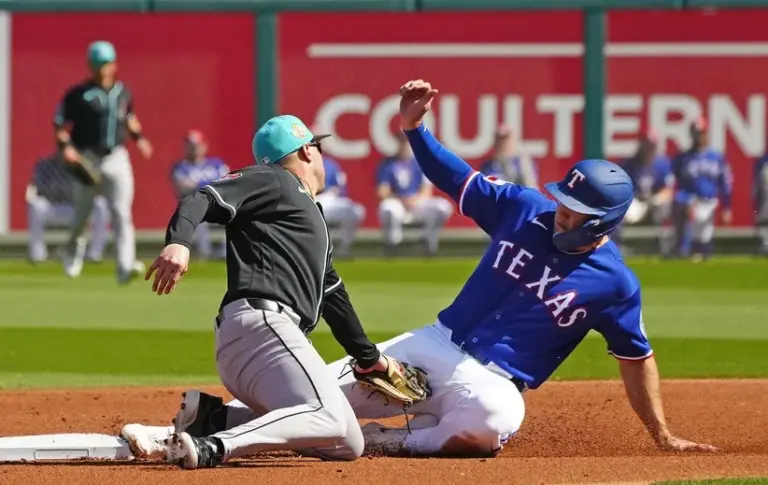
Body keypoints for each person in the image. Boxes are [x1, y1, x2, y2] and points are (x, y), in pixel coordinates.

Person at [123, 81, 718, 460]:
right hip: (434, 343)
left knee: (493, 419)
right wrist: (416, 130)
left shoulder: (615, 285)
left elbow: (637, 357)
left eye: (576, 209)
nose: (561, 210)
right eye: (563, 198)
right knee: (319, 399)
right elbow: (457, 177)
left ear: (605, 221)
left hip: (493, 379)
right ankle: (209, 420)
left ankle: (386, 444)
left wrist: (660, 434)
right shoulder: (527, 209)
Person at [143, 115, 414, 469]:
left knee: (346, 442)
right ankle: (216, 445)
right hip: (262, 329)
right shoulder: (274, 179)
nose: (319, 153)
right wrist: (178, 242)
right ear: (305, 150)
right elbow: (202, 197)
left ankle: (213, 419)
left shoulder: (307, 214)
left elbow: (333, 295)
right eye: (317, 146)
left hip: (266, 347)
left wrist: (369, 359)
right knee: (330, 417)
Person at [54, 40, 153, 283]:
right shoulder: (78, 95)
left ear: (114, 64)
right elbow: (60, 125)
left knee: (120, 213)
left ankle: (125, 265)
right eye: (97, 63)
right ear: (90, 65)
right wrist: (66, 148)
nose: (102, 68)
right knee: (82, 216)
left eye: (106, 63)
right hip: (87, 157)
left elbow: (129, 116)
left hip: (116, 156)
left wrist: (139, 138)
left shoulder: (123, 92)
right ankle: (72, 256)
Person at [376, 133, 453, 256]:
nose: (404, 145)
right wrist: (401, 199)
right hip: (398, 203)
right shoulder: (388, 164)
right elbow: (382, 191)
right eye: (402, 142)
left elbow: (427, 190)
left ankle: (427, 240)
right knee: (388, 208)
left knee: (443, 207)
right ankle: (394, 244)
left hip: (417, 203)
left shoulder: (420, 162)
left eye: (407, 142)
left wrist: (414, 199)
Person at [26, 154, 110, 264]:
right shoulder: (45, 165)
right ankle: (38, 255)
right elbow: (36, 187)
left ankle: (94, 254)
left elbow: (96, 186)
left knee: (101, 204)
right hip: (54, 208)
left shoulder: (83, 165)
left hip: (79, 208)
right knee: (36, 205)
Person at [670, 118, 733, 261]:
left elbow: (725, 182)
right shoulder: (682, 158)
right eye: (695, 133)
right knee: (691, 232)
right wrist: (681, 200)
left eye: (701, 132)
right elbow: (675, 183)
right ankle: (682, 249)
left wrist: (727, 207)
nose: (698, 136)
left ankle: (692, 252)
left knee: (704, 245)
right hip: (691, 201)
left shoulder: (716, 157)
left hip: (710, 202)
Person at [170, 130, 229, 260]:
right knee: (200, 220)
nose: (194, 148)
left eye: (196, 145)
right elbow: (183, 188)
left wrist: (198, 184)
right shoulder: (180, 167)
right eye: (190, 145)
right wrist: (211, 183)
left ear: (204, 145)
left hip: (219, 206)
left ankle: (226, 253)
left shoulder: (216, 164)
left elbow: (227, 183)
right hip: (195, 209)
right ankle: (206, 254)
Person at [614, 130, 675, 255]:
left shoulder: (662, 163)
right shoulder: (628, 164)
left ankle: (665, 247)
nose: (649, 148)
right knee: (620, 211)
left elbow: (668, 189)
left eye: (651, 145)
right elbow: (620, 188)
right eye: (646, 144)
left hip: (654, 200)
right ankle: (618, 247)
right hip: (635, 200)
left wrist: (655, 199)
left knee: (664, 206)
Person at [314, 153, 366, 258]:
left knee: (356, 211)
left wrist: (335, 191)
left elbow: (341, 188)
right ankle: (319, 251)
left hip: (330, 199)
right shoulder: (301, 163)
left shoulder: (330, 163)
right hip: (312, 199)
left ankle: (344, 247)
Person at [752, 150, 768, 256]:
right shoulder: (762, 161)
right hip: (765, 197)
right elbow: (757, 185)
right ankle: (765, 246)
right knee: (764, 218)